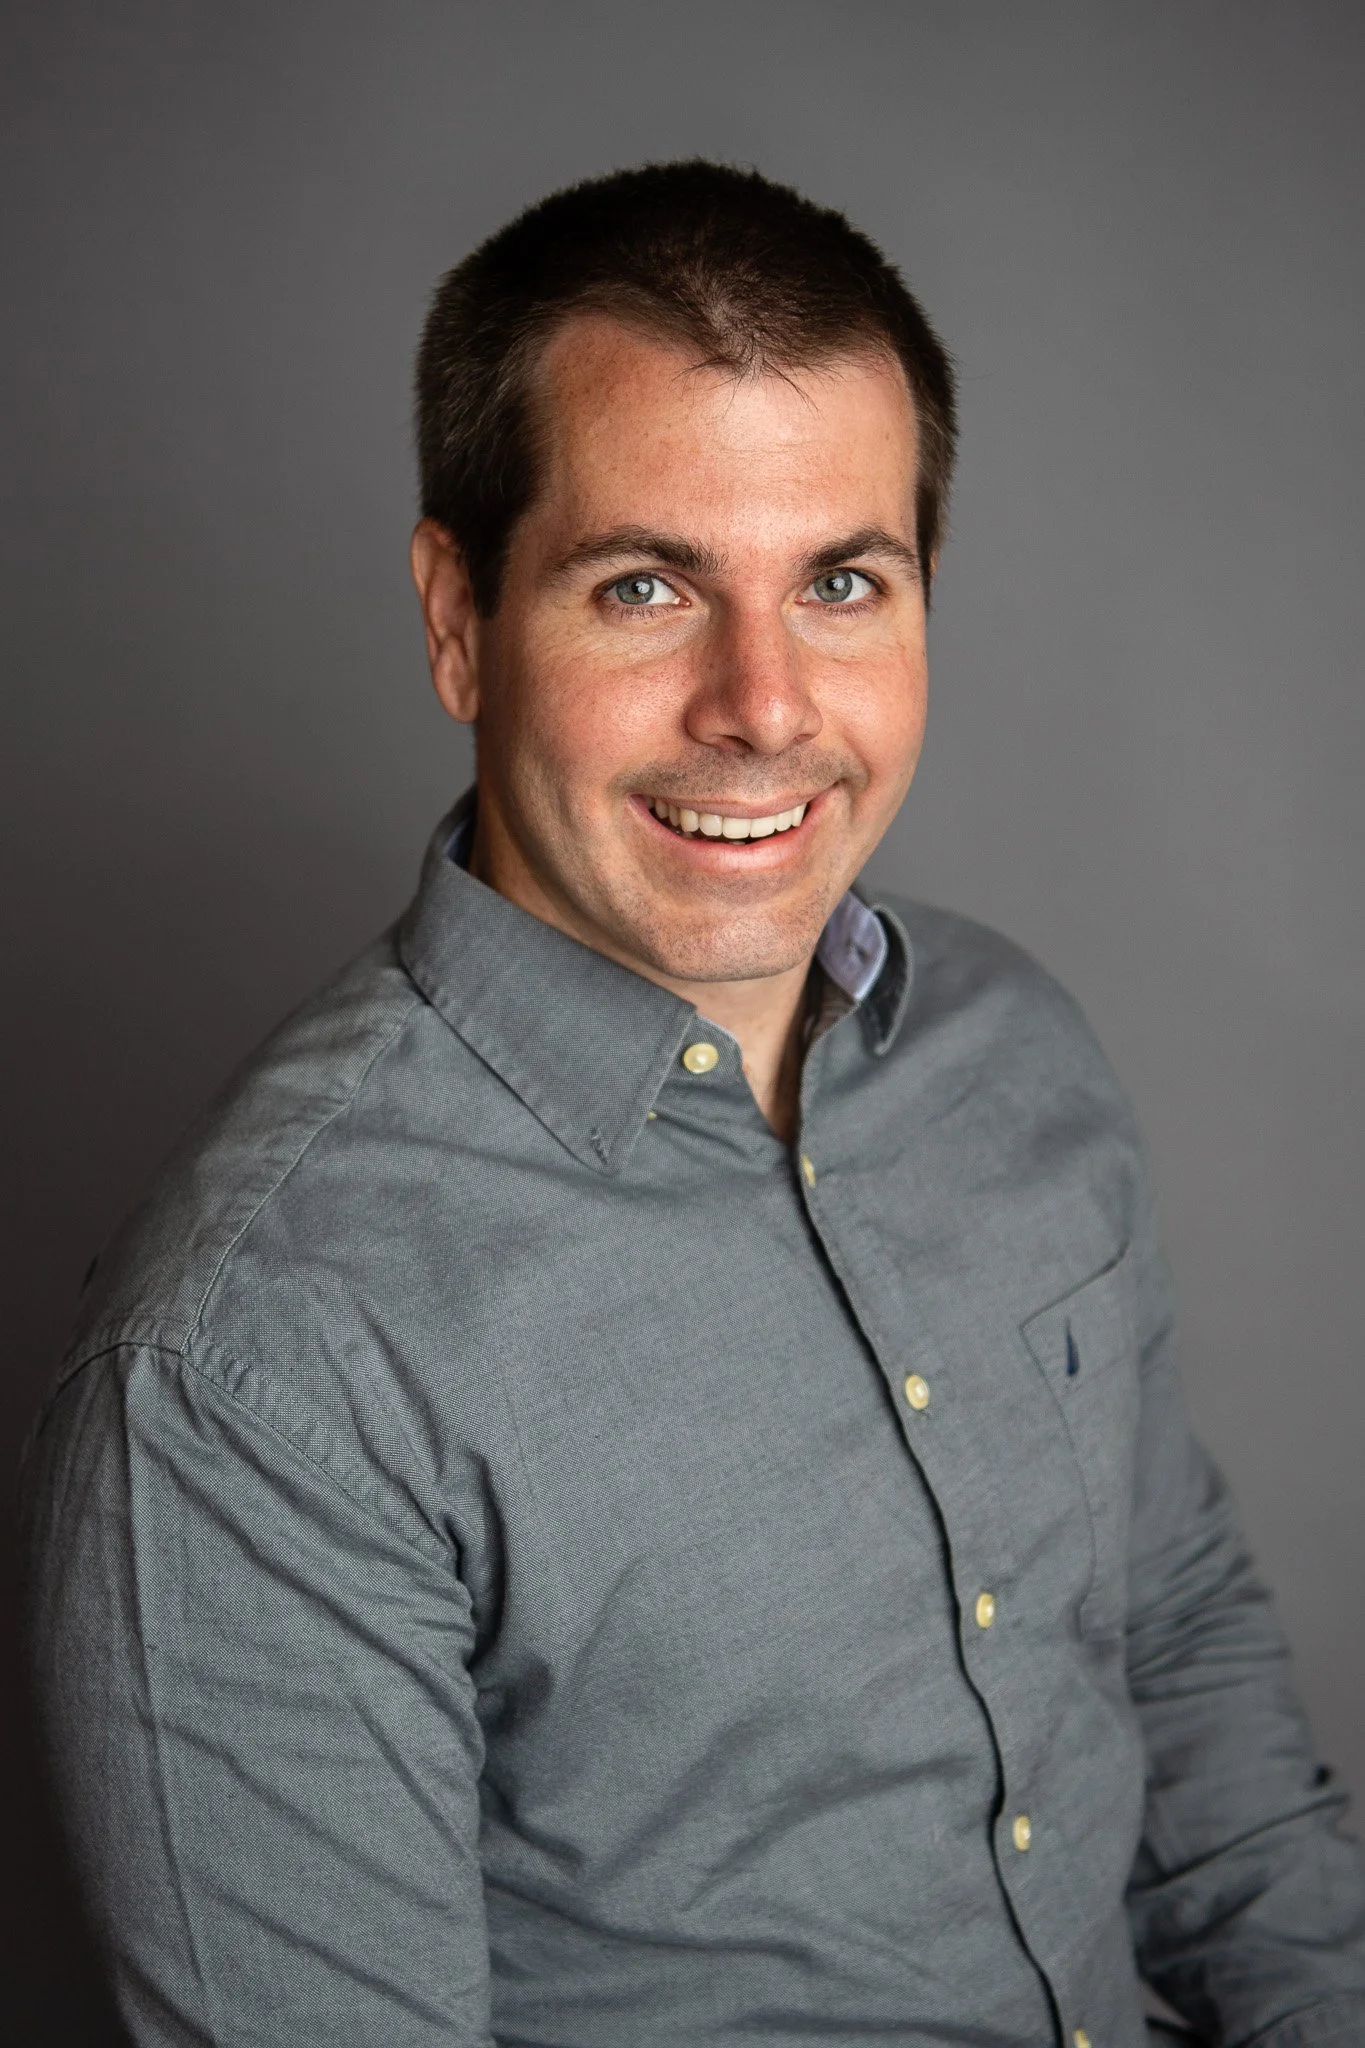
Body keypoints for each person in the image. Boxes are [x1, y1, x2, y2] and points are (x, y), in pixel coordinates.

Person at [20, 160, 1365, 2048]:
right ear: (460, 619)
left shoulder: (1019, 1054)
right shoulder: (255, 1366)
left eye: (840, 580)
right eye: (645, 586)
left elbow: (1179, 1640)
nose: (762, 702)